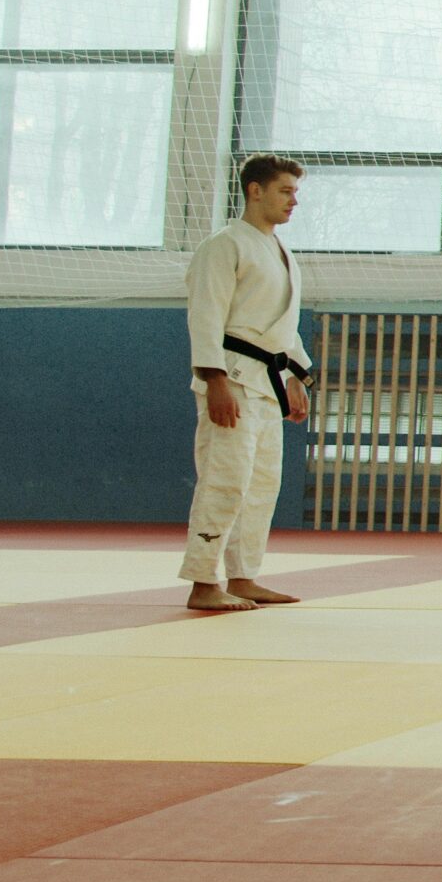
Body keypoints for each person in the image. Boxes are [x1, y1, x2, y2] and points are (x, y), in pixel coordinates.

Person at [180, 154, 314, 613]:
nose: (293, 201)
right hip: (231, 380)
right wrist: (213, 380)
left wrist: (296, 374)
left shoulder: (281, 251)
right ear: (255, 190)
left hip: (267, 382)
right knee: (225, 480)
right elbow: (206, 316)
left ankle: (242, 576)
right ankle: (203, 581)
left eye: (295, 193)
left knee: (261, 484)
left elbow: (282, 326)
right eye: (285, 191)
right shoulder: (223, 245)